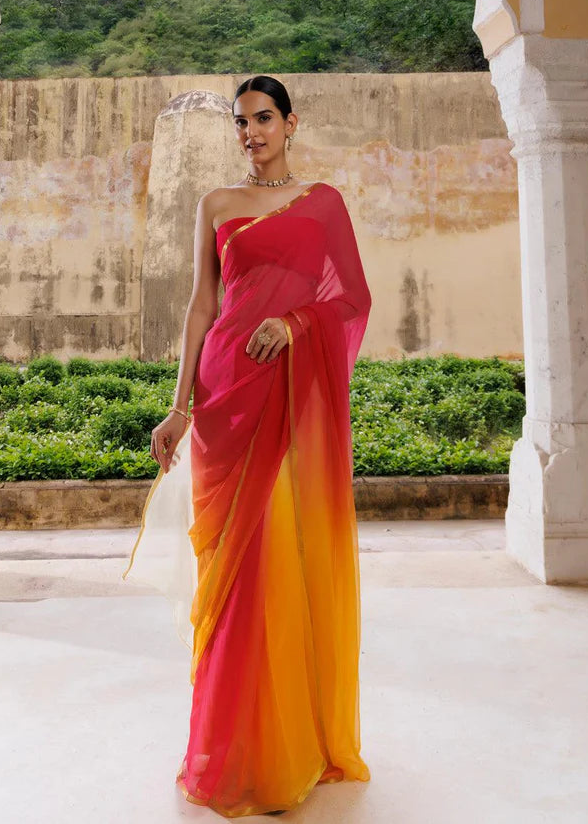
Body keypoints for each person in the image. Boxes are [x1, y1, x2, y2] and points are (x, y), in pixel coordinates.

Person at [123, 74, 372, 817]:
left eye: (264, 118)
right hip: (225, 393)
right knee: (226, 578)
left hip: (287, 396)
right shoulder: (217, 205)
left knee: (276, 563)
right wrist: (178, 407)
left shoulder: (324, 204)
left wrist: (295, 324)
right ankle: (230, 746)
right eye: (241, 122)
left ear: (291, 122)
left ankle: (285, 745)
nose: (251, 132)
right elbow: (204, 303)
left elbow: (350, 299)